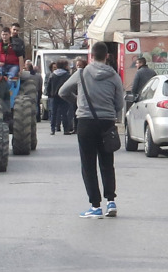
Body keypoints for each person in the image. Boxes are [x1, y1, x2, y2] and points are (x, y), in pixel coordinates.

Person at [59, 42, 124, 218]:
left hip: (86, 123)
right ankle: (111, 201)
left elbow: (62, 92)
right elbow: (120, 104)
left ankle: (95, 206)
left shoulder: (81, 73)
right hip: (107, 123)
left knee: (88, 165)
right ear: (107, 56)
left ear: (91, 55)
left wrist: (79, 102)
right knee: (107, 163)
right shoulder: (114, 76)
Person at [46, 59, 73, 134]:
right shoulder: (67, 75)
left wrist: (49, 94)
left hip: (54, 96)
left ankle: (52, 129)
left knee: (53, 113)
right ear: (64, 66)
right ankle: (66, 130)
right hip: (64, 96)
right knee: (64, 113)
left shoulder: (53, 75)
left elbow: (49, 86)